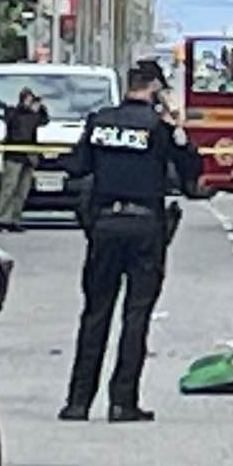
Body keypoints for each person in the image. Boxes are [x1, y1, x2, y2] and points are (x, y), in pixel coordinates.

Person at [59, 60, 204, 423]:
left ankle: (78, 402)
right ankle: (122, 402)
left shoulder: (99, 120)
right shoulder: (158, 126)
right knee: (135, 316)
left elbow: (77, 167)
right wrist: (178, 127)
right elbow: (190, 170)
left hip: (105, 224)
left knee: (95, 313)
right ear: (155, 88)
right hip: (145, 227)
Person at [0, 86, 49, 231]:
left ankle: (14, 220)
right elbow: (11, 122)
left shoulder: (34, 115)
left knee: (22, 191)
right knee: (8, 188)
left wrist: (41, 108)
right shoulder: (14, 113)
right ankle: (1, 219)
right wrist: (25, 109)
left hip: (28, 156)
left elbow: (44, 121)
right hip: (14, 155)